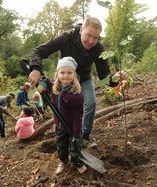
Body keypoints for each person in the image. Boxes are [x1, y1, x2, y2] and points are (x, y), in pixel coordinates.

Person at [28, 16, 127, 147]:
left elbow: (104, 75)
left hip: (84, 79)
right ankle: (65, 136)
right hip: (64, 79)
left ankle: (84, 136)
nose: (91, 41)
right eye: (88, 35)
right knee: (64, 108)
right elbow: (38, 51)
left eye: (95, 38)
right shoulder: (65, 38)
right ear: (81, 30)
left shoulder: (98, 48)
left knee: (91, 103)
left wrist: (115, 78)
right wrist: (36, 69)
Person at [38, 57, 87, 174]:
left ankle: (77, 162)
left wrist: (76, 133)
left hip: (73, 126)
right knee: (61, 145)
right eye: (62, 72)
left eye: (69, 72)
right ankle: (63, 161)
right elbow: (45, 80)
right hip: (60, 125)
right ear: (57, 73)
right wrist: (42, 84)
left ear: (74, 74)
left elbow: (77, 117)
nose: (65, 75)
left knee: (75, 145)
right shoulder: (55, 87)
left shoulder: (76, 95)